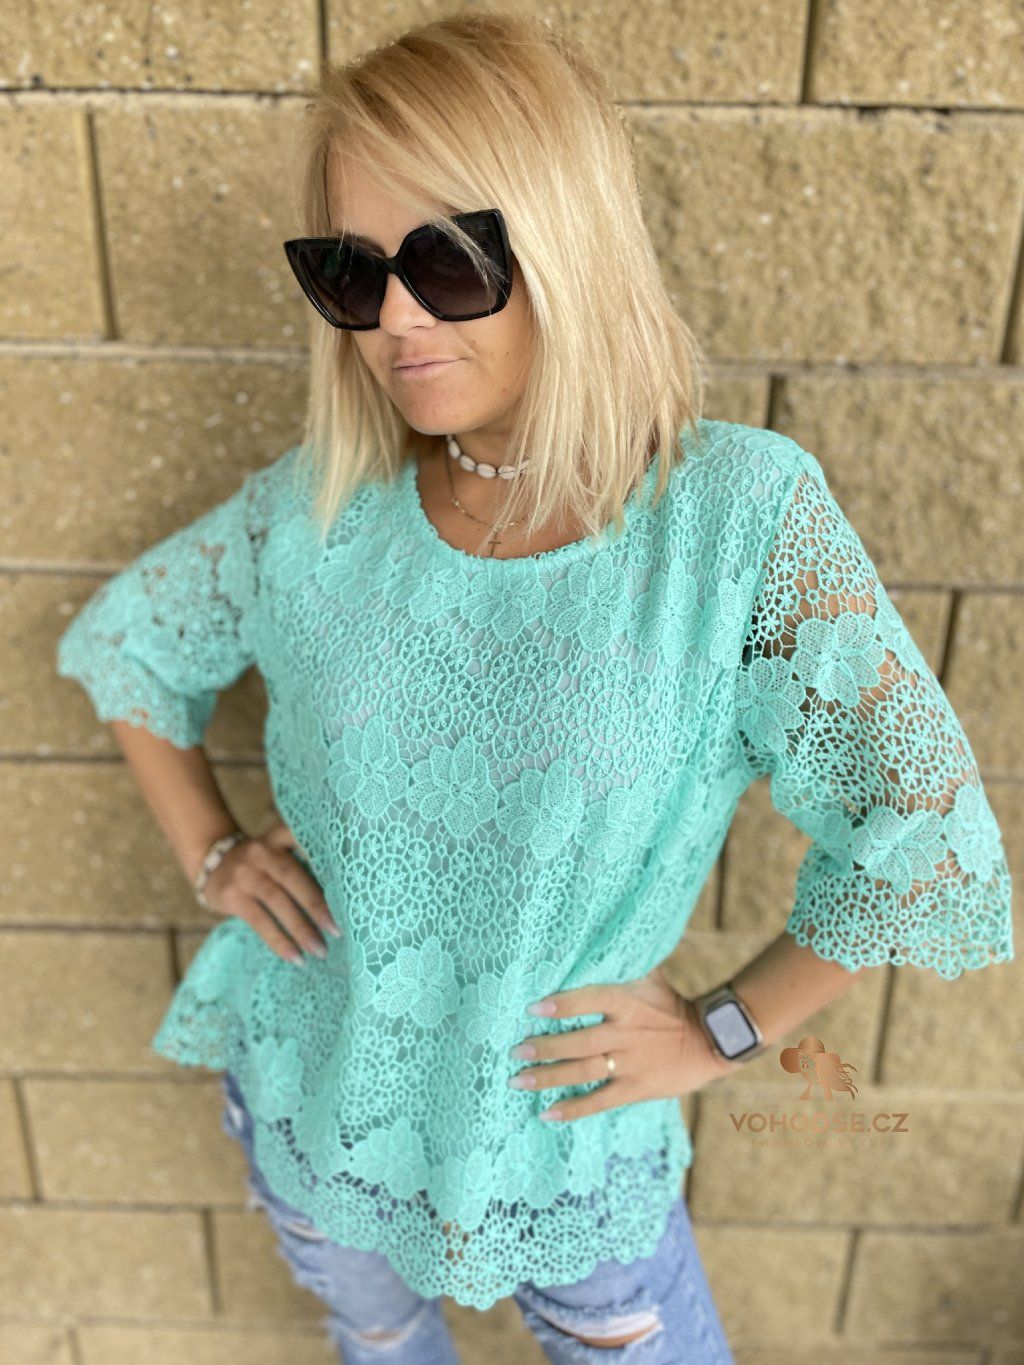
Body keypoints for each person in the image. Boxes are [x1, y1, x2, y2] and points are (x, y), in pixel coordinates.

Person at [54, 12, 1013, 1363]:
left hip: (568, 1152)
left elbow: (920, 820)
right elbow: (133, 646)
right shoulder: (319, 511)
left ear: (564, 241)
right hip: (319, 1109)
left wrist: (725, 1031)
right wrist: (213, 852)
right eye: (350, 273)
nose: (394, 318)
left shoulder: (731, 524)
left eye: (447, 261)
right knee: (383, 1348)